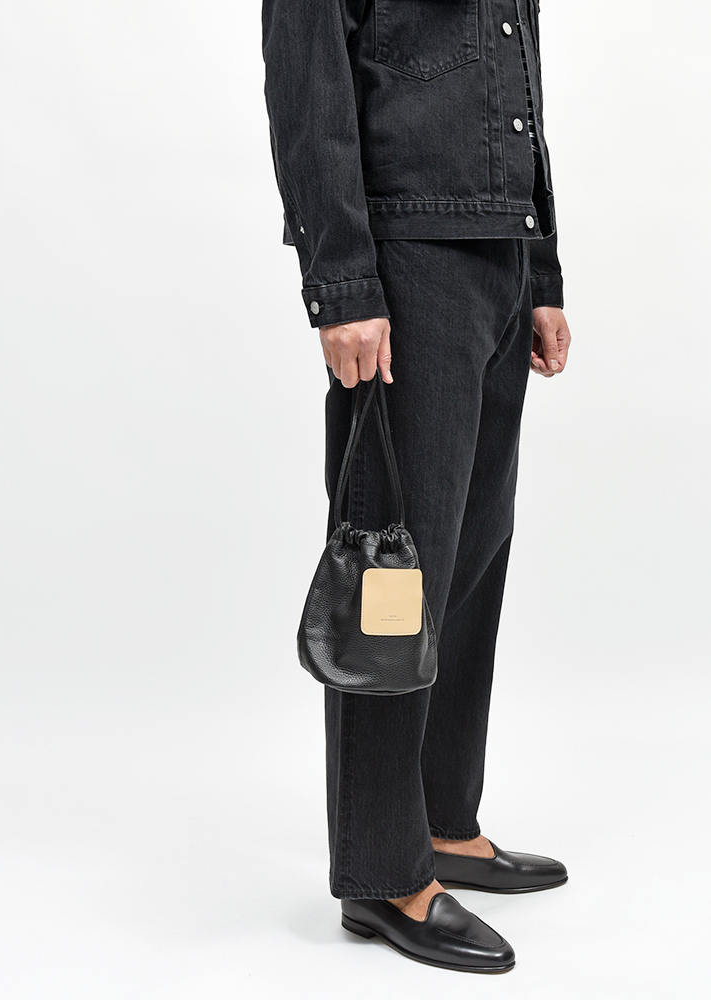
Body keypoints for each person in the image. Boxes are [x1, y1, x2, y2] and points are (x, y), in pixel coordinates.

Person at [261, 0, 573, 973]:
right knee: (392, 576)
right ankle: (382, 870)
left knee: (472, 554)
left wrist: (542, 269)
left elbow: (517, 73)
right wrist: (343, 285)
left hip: (499, 253)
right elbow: (308, 82)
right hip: (407, 263)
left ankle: (440, 819)